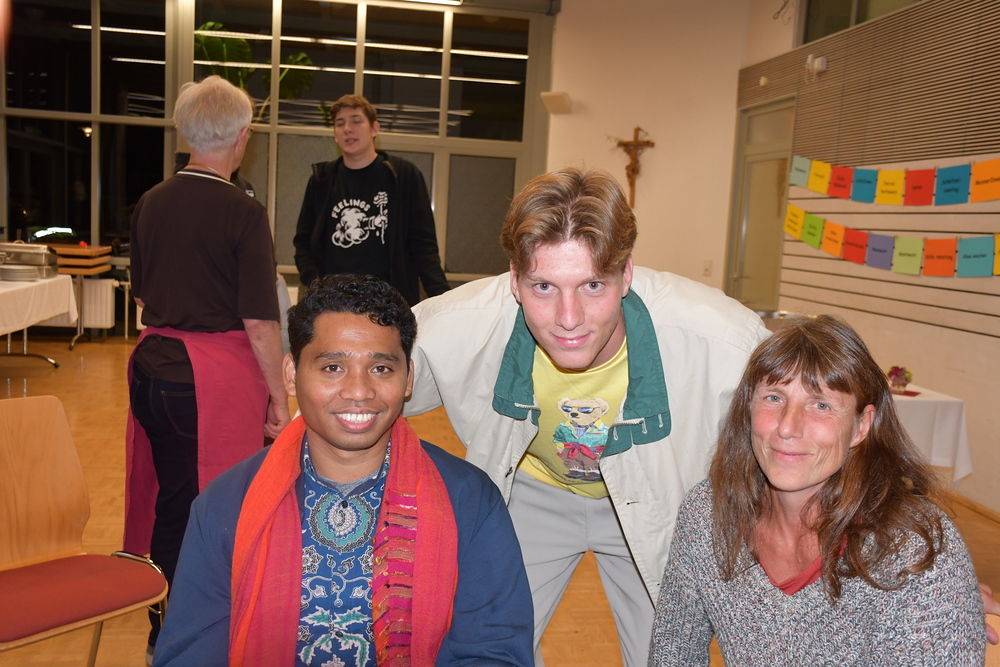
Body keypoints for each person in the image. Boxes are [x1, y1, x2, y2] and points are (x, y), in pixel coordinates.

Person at [404, 167, 771, 666]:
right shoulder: (459, 323)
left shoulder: (722, 338)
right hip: (533, 492)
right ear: (514, 281)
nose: (569, 318)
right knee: (485, 648)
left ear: (627, 275)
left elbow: (805, 423)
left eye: (593, 285)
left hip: (655, 495)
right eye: (543, 287)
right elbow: (363, 384)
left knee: (665, 658)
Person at [152, 274, 534, 667]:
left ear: (408, 379)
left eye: (381, 368)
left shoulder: (468, 500)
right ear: (291, 374)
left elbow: (495, 650)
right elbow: (190, 652)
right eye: (333, 367)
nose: (359, 391)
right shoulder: (226, 505)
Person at [648, 315, 986, 666]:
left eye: (821, 405)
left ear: (861, 426)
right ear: (748, 405)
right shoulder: (708, 514)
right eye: (774, 397)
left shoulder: (914, 550)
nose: (787, 427)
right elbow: (673, 653)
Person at [124, 75, 290, 658]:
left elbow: (141, 293)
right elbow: (260, 321)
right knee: (213, 505)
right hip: (205, 381)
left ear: (186, 133)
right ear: (242, 138)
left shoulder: (151, 200)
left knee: (171, 498)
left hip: (151, 368)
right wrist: (279, 397)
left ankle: (163, 622)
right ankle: (196, 629)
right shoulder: (243, 211)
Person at [293, 93, 449, 306]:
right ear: (335, 135)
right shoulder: (321, 181)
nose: (348, 128)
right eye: (340, 123)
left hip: (389, 303)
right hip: (334, 303)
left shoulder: (403, 175)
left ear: (374, 129)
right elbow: (303, 242)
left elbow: (423, 246)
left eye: (356, 121)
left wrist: (443, 298)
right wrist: (316, 281)